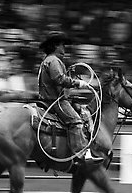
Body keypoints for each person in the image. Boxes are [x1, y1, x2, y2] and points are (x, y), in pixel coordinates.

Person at [37, 31, 103, 163]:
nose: (64, 48)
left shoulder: (49, 60)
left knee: (82, 113)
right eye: (62, 45)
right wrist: (78, 83)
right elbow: (59, 79)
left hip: (51, 98)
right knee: (76, 121)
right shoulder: (54, 60)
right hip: (56, 101)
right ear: (56, 46)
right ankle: (81, 154)